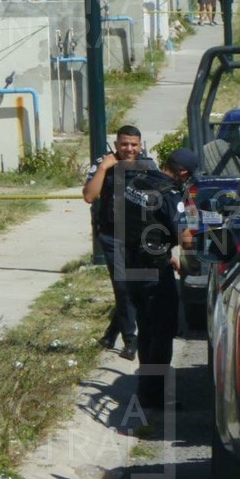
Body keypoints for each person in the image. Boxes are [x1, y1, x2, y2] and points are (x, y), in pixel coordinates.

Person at [116, 147, 199, 411]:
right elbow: (184, 238)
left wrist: (164, 252)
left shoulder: (138, 181)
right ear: (183, 172)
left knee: (146, 328)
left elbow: (141, 224)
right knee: (162, 332)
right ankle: (156, 396)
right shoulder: (170, 194)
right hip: (153, 271)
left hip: (132, 265)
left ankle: (145, 389)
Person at [83, 125, 156, 361]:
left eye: (134, 144)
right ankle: (131, 340)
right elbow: (89, 196)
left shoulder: (148, 166)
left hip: (140, 236)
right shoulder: (102, 164)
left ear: (140, 145)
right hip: (112, 235)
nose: (129, 149)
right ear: (116, 145)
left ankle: (110, 332)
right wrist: (104, 167)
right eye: (124, 144)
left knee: (133, 288)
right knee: (123, 285)